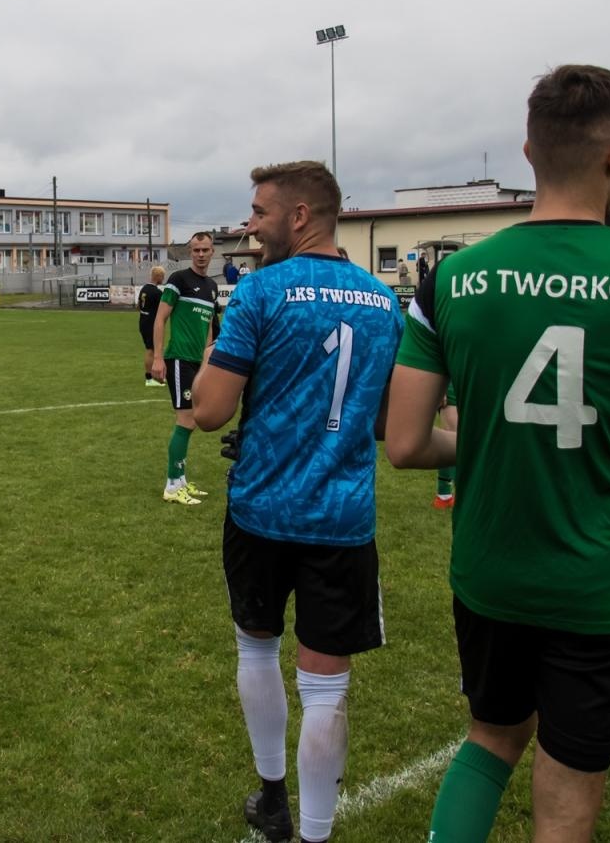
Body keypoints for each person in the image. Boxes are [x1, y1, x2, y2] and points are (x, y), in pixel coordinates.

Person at [385, 65, 610, 843]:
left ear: (527, 150)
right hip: (605, 580)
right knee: (571, 784)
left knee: (490, 739)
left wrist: (484, 439)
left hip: (492, 570)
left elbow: (406, 442)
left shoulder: (451, 279)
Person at [193, 161, 403, 843]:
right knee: (325, 689)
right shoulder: (383, 300)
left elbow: (211, 411)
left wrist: (208, 362)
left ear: (301, 216)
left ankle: (273, 799)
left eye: (259, 212)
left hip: (260, 511)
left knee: (257, 652)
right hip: (342, 520)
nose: (249, 226)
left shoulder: (258, 292)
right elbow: (383, 425)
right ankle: (312, 834)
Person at [151, 231, 219, 505]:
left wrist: (208, 364)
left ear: (212, 252)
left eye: (205, 250)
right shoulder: (178, 280)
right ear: (190, 252)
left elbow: (210, 332)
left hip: (197, 363)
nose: (201, 254)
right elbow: (160, 319)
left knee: (191, 422)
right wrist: (157, 357)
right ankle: (171, 485)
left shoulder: (213, 287)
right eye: (196, 250)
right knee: (186, 420)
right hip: (178, 359)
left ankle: (180, 481)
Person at [138, 265, 168, 387]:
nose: (163, 279)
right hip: (151, 323)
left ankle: (155, 377)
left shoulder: (144, 289)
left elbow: (139, 306)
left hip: (143, 321)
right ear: (158, 276)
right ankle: (150, 378)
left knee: (151, 349)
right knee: (152, 350)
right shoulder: (157, 293)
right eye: (163, 276)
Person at [434, 387, 457, 510]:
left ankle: (445, 496)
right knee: (453, 436)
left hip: (469, 379)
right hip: (450, 384)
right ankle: (444, 495)